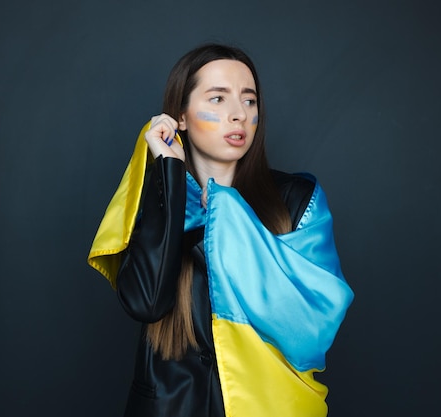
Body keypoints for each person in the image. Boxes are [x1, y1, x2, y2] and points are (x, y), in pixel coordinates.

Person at [88, 43, 354, 417]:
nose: (238, 115)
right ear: (180, 116)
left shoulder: (297, 200)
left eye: (249, 101)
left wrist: (225, 223)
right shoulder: (154, 200)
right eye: (217, 99)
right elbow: (146, 302)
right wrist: (169, 173)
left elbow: (314, 322)